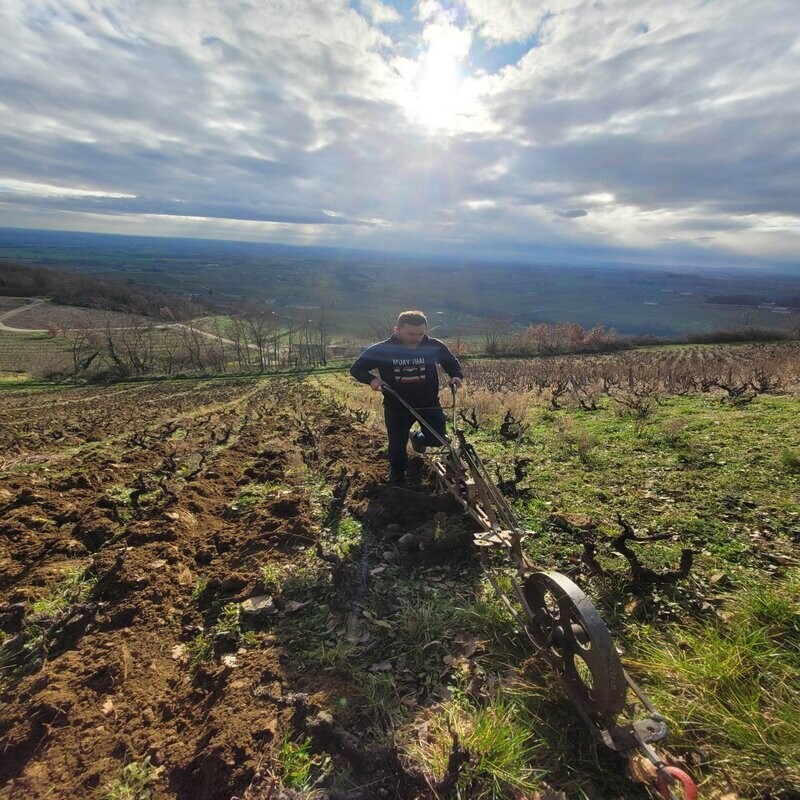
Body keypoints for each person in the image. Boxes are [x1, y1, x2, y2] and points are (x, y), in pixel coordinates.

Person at [349, 310, 464, 484]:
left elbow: (451, 362)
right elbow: (356, 369)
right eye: (411, 333)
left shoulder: (433, 346)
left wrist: (456, 376)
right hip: (397, 405)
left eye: (420, 333)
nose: (416, 338)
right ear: (397, 329)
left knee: (437, 439)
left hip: (429, 403)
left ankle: (417, 439)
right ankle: (397, 473)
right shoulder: (383, 349)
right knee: (397, 444)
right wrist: (372, 380)